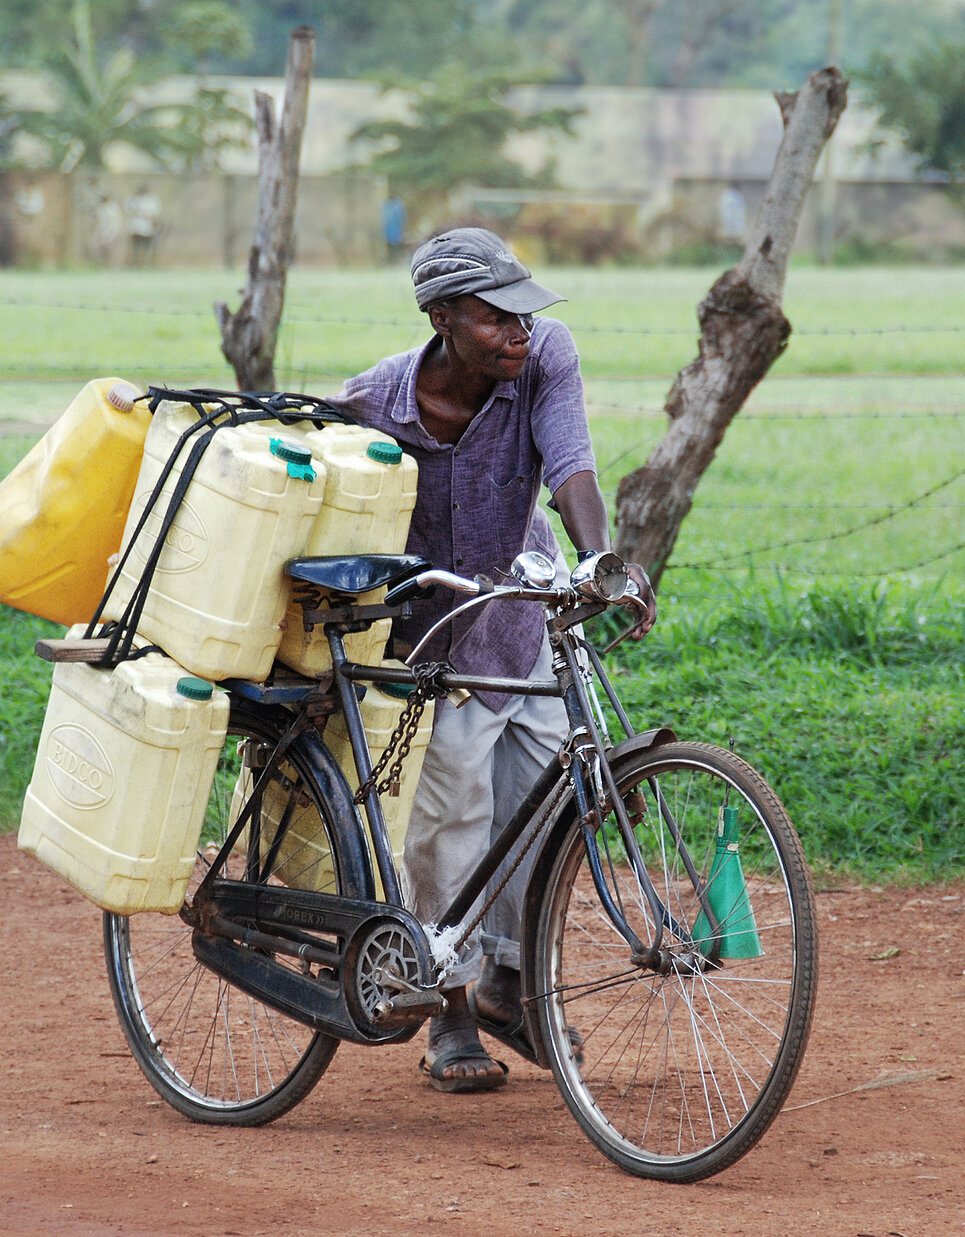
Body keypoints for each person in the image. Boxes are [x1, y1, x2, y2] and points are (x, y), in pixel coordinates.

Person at [330, 228, 655, 1093]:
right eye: (494, 318)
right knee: (450, 826)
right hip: (430, 646)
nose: (518, 330)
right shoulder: (374, 407)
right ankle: (453, 1008)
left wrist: (599, 563)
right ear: (441, 318)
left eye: (522, 313)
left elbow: (571, 463)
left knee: (546, 809)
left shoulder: (544, 356)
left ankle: (512, 984)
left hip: (519, 621)